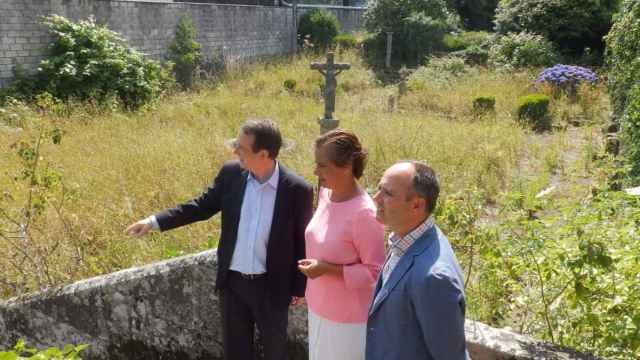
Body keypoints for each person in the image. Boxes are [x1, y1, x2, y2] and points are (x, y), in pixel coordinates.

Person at [125, 119, 313, 360]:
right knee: (235, 353)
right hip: (233, 285)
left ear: (263, 154)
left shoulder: (297, 189)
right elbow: (201, 207)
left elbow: (302, 239)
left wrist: (299, 287)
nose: (235, 152)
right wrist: (154, 221)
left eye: (241, 149)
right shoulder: (231, 174)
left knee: (276, 352)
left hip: (272, 287)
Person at [366, 161, 469, 360]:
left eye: (387, 193)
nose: (375, 198)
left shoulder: (434, 278)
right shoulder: (406, 239)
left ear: (417, 204)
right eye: (379, 189)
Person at [298, 129, 385, 360]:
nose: (315, 171)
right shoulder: (327, 193)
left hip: (347, 321)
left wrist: (327, 269)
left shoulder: (364, 214)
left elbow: (375, 272)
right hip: (318, 307)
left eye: (322, 165)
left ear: (346, 166)